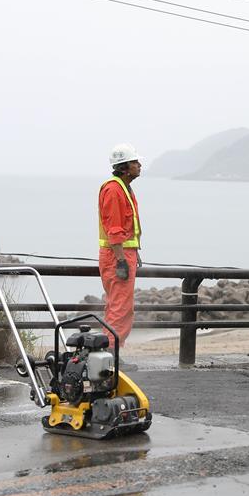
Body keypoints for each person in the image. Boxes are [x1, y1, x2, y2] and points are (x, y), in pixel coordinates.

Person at [98, 143, 142, 352]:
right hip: (117, 256)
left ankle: (110, 353)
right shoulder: (114, 190)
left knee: (119, 306)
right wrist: (122, 259)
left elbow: (125, 230)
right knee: (120, 308)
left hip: (122, 253)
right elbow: (114, 229)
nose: (139, 165)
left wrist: (133, 252)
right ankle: (110, 354)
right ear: (124, 166)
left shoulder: (123, 188)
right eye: (135, 162)